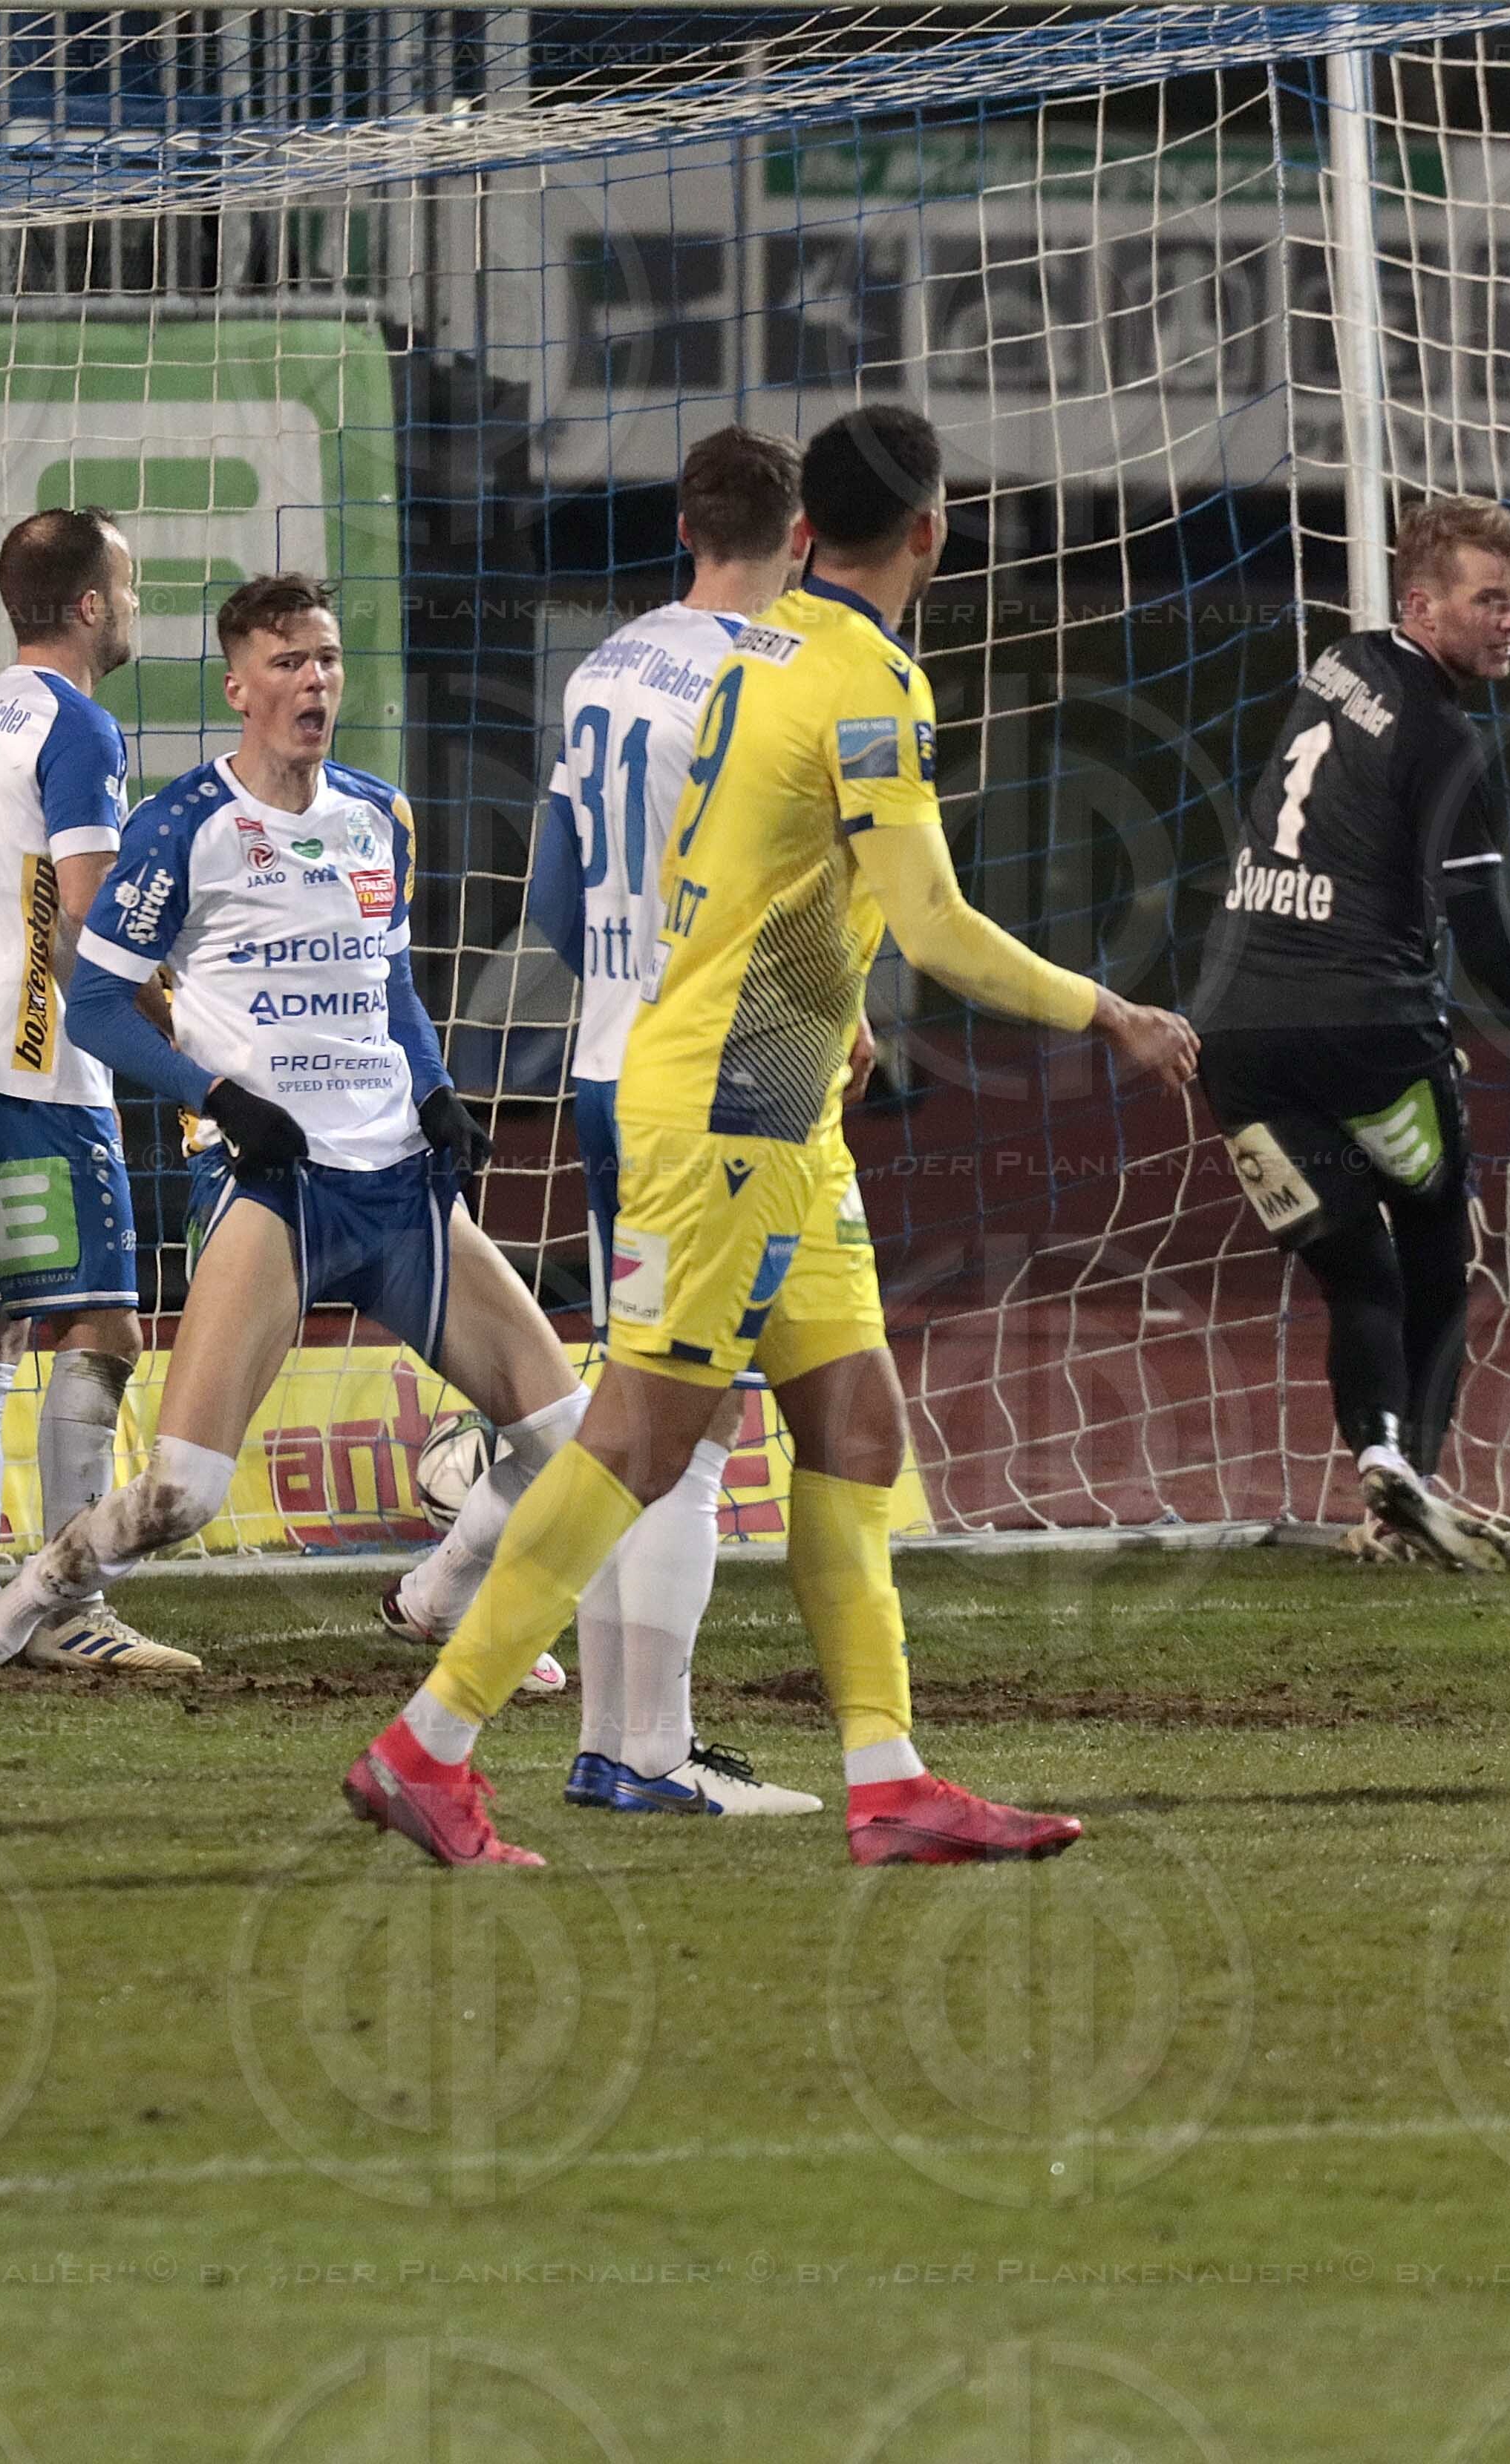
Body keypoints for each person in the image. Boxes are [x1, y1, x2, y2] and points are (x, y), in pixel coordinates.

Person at [351, 404, 1201, 1869]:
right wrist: (1106, 1008)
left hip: (780, 1099)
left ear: (813, 533)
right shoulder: (867, 682)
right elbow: (932, 919)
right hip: (724, 1112)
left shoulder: (761, 648)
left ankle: (888, 1780)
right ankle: (431, 1744)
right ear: (930, 530)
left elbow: (724, 856)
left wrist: (832, 1004)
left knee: (854, 1423)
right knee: (639, 1437)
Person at [0, 574, 587, 1695]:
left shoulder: (376, 815)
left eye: (326, 659)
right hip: (277, 1187)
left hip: (401, 1184)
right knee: (181, 1494)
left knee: (575, 1443)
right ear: (239, 686)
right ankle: (3, 1616)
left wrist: (437, 1087)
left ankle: (439, 1595)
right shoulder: (182, 826)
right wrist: (217, 1098)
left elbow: (388, 979)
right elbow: (100, 1003)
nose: (314, 680)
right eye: (287, 662)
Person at [377, 425, 820, 1818]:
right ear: (798, 540)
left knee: (646, 1413)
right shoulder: (781, 676)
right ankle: (642, 1748)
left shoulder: (610, 663)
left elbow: (557, 907)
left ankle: (621, 1744)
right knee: (689, 1440)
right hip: (726, 1078)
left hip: (607, 1069)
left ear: (686, 531)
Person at [1188, 494, 1510, 1570]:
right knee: (1437, 1259)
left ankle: (1383, 1467)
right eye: (1488, 599)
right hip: (1371, 1037)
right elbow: (1489, 939)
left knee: (1356, 1276)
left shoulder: (1339, 662)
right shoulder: (1447, 737)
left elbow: (1346, 851)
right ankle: (1411, 1501)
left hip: (1233, 1041)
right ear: (1422, 602)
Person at [0, 505, 193, 1673]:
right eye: (125, 586)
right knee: (105, 1325)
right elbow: (88, 907)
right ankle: (67, 1608)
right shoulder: (79, 726)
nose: (131, 604)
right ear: (87, 606)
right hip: (37, 1070)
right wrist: (178, 1022)